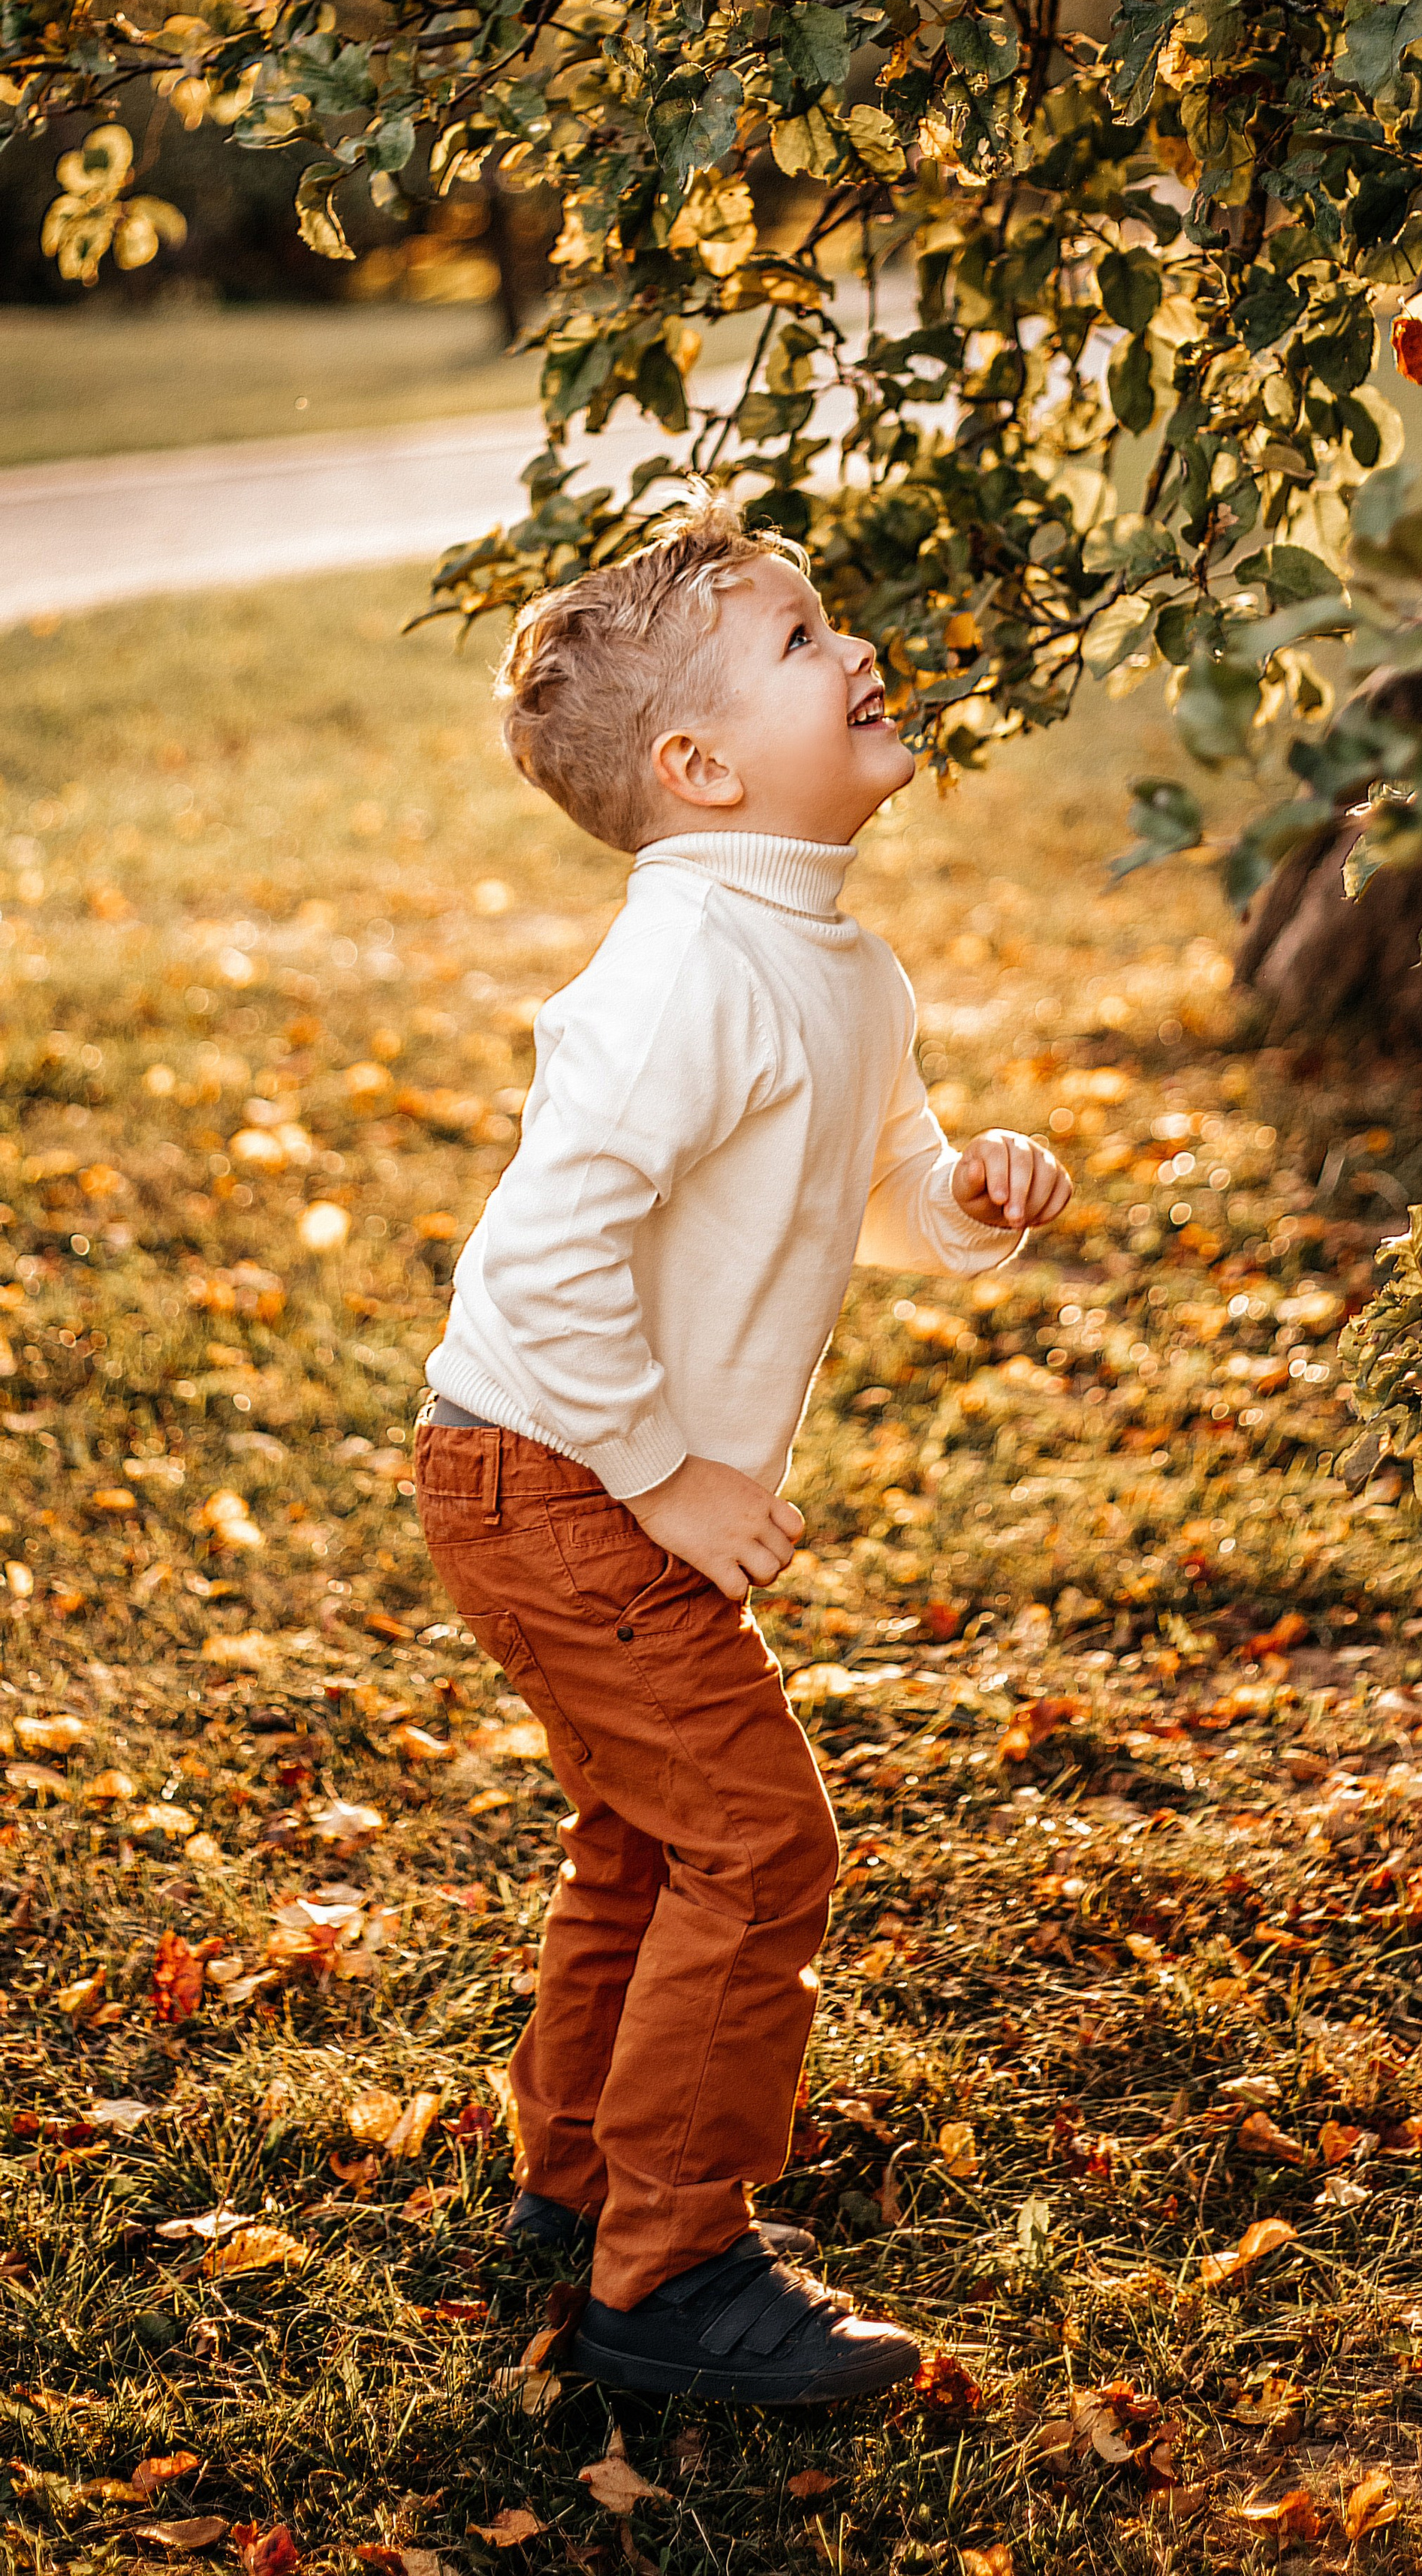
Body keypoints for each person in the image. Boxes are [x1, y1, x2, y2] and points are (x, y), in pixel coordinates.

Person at [411, 484, 1073, 2407]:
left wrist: (965, 1194)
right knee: (760, 1843)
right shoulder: (680, 974)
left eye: (830, 623)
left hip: (561, 1476)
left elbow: (869, 1176)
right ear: (699, 767)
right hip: (550, 1474)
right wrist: (670, 1477)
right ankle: (672, 2275)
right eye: (801, 640)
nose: (855, 648)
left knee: (648, 1828)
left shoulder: (836, 968)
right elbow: (541, 1267)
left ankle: (579, 2182)